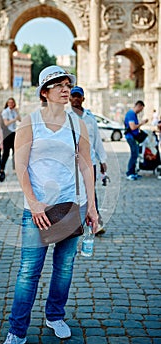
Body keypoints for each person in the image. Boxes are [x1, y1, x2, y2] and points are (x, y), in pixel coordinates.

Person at [0, 65, 98, 344]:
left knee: (64, 267)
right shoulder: (29, 123)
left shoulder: (77, 123)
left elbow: (86, 165)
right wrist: (33, 203)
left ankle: (55, 316)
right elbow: (20, 166)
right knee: (29, 271)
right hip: (38, 209)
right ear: (45, 91)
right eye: (59, 85)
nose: (66, 89)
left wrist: (91, 207)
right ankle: (17, 332)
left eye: (68, 84)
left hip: (71, 205)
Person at [68, 86, 107, 235]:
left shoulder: (90, 119)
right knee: (73, 192)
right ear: (70, 98)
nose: (76, 99)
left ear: (83, 98)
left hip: (90, 162)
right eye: (74, 96)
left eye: (79, 96)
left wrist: (102, 160)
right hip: (71, 163)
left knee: (91, 192)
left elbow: (97, 141)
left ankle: (96, 222)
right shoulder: (65, 118)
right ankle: (72, 223)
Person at [124, 100, 148, 180]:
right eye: (141, 109)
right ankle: (130, 173)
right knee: (134, 154)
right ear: (139, 106)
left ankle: (133, 172)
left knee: (136, 154)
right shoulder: (131, 114)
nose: (141, 111)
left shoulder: (133, 114)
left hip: (133, 137)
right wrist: (142, 123)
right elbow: (132, 127)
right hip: (130, 137)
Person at [0, 97, 21, 174]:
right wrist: (14, 119)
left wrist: (17, 112)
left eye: (12, 103)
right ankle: (2, 168)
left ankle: (14, 168)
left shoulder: (14, 112)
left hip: (14, 132)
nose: (11, 104)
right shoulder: (5, 112)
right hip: (7, 133)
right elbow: (6, 123)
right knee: (6, 152)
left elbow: (20, 119)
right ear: (7, 103)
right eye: (9, 103)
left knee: (15, 151)